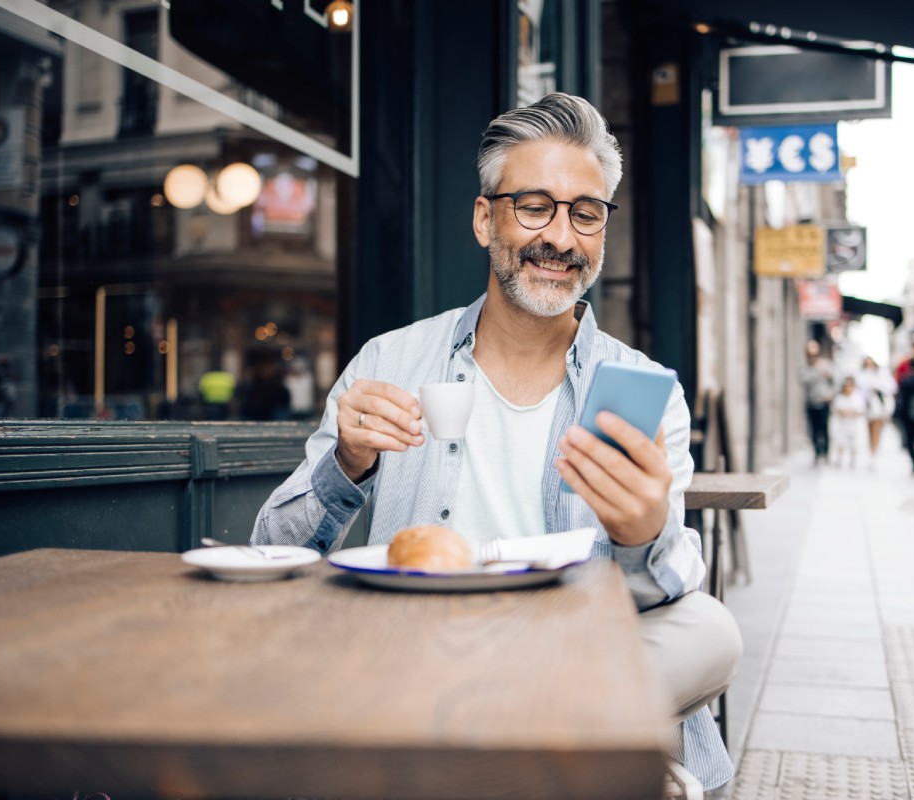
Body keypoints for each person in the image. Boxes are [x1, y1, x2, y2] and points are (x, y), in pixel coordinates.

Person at [252, 93, 741, 790]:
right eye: (534, 206)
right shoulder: (390, 363)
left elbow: (663, 594)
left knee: (713, 632)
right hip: (418, 647)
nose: (563, 239)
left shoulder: (639, 386)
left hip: (563, 654)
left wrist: (645, 532)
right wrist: (346, 463)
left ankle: (501, 734)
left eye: (586, 213)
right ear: (486, 219)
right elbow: (275, 542)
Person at [854, 355, 895, 470]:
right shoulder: (861, 375)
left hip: (878, 405)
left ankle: (874, 452)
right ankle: (872, 451)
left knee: (876, 429)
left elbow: (891, 387)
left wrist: (878, 388)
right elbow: (858, 390)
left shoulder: (881, 374)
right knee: (869, 430)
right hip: (867, 406)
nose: (869, 366)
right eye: (867, 364)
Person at [802, 340, 834, 465]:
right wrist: (817, 370)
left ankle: (825, 454)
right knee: (813, 429)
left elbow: (834, 380)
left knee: (824, 428)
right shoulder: (806, 367)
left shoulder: (825, 364)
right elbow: (803, 378)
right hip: (811, 401)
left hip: (824, 402)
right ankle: (816, 452)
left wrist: (831, 393)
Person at [830, 376, 866, 469]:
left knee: (854, 443)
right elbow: (837, 410)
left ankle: (852, 460)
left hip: (854, 425)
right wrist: (849, 412)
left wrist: (849, 412)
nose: (848, 388)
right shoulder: (840, 397)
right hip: (842, 424)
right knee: (840, 442)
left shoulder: (857, 397)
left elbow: (860, 411)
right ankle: (839, 459)